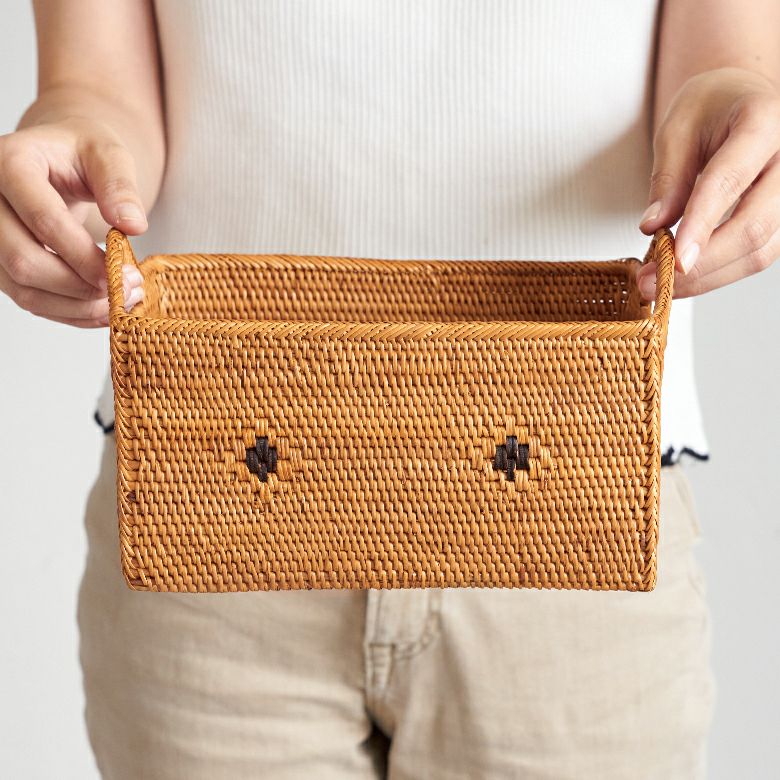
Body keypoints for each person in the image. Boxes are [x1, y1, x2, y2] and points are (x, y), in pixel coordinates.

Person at [2, 1, 777, 777]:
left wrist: (740, 106)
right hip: (208, 506)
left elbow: (724, 59)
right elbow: (95, 86)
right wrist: (72, 150)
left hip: (575, 514)